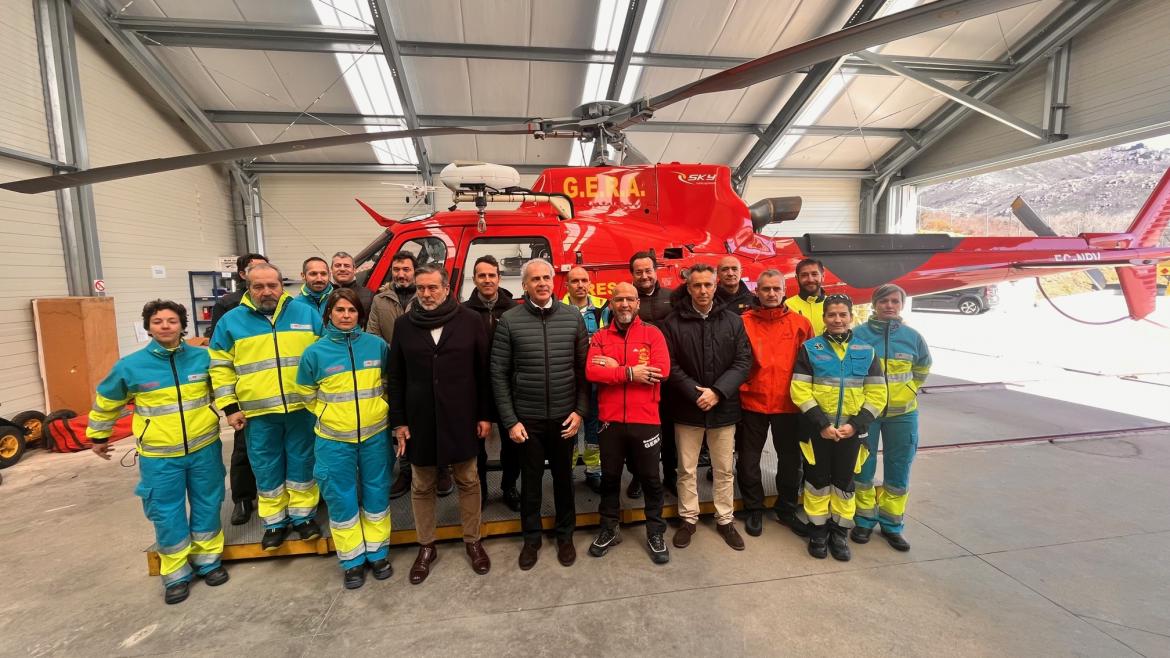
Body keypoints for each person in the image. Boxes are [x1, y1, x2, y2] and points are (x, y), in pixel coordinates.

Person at [88, 300, 228, 604]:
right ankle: (176, 573)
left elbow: (224, 388)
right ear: (148, 327)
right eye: (158, 321)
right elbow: (107, 401)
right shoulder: (131, 366)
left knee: (208, 502)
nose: (165, 326)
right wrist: (99, 435)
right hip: (159, 456)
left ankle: (208, 561)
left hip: (204, 447)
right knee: (167, 512)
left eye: (171, 321)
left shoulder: (203, 359)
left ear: (182, 326)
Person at [389, 265, 493, 583]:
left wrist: (485, 415)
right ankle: (426, 546)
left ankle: (473, 541)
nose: (426, 294)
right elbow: (395, 377)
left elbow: (483, 372)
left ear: (446, 289)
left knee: (468, 479)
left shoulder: (470, 321)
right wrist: (399, 422)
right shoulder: (404, 325)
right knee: (422, 485)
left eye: (432, 288)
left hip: (461, 417)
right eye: (421, 289)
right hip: (420, 419)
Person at [209, 263, 323, 551]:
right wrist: (230, 407)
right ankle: (274, 522)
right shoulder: (231, 322)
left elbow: (324, 353)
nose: (266, 291)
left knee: (302, 461)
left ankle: (303, 517)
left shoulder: (306, 314)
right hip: (257, 414)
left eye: (272, 285)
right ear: (248, 287)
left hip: (301, 409)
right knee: (266, 467)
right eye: (258, 286)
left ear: (282, 286)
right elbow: (220, 368)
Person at [490, 258, 588, 570]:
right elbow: (499, 374)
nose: (542, 283)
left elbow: (584, 371)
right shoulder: (509, 320)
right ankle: (531, 539)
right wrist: (510, 420)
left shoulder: (572, 318)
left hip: (564, 418)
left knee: (563, 479)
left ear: (553, 282)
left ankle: (565, 536)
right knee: (530, 482)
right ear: (525, 285)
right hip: (527, 421)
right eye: (535, 279)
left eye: (547, 277)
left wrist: (580, 412)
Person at [296, 289, 392, 590]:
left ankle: (378, 553)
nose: (346, 315)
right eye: (340, 310)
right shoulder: (315, 353)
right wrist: (328, 415)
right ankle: (351, 561)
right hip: (334, 440)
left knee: (377, 495)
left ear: (360, 315)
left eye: (352, 310)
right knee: (341, 498)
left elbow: (389, 384)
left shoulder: (377, 347)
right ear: (330, 315)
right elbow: (306, 393)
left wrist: (380, 410)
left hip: (375, 435)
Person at [660, 263, 752, 551]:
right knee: (686, 468)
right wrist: (693, 392)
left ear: (716, 286)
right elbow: (670, 365)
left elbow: (743, 361)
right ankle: (688, 519)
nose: (702, 290)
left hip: (723, 407)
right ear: (688, 288)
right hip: (686, 408)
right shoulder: (672, 323)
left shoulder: (733, 322)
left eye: (708, 285)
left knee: (724, 468)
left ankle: (725, 519)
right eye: (697, 285)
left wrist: (718, 392)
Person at [790, 294, 886, 562]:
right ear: (824, 318)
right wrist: (821, 424)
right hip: (817, 431)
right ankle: (818, 531)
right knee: (817, 481)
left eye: (843, 314)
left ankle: (840, 533)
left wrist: (855, 426)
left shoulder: (867, 352)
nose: (837, 319)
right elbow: (799, 389)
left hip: (851, 434)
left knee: (844, 483)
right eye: (832, 315)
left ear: (851, 317)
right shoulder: (810, 349)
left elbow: (878, 394)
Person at [585, 283, 671, 564]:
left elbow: (662, 371)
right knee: (610, 479)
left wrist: (615, 367)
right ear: (610, 303)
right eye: (619, 299)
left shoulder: (652, 334)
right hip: (610, 421)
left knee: (650, 479)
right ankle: (610, 528)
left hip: (645, 420)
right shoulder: (599, 336)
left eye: (629, 299)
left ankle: (655, 531)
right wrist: (631, 372)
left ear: (637, 304)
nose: (624, 304)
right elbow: (591, 371)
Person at [850, 284, 932, 552]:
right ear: (874, 304)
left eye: (895, 301)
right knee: (863, 469)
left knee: (899, 470)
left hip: (903, 415)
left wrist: (909, 389)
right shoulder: (858, 335)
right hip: (867, 415)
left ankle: (891, 525)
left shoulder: (913, 337)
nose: (889, 305)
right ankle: (864, 520)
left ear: (902, 305)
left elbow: (923, 366)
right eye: (883, 301)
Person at [368, 251, 452, 499]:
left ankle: (442, 469)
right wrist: (397, 358)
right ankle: (405, 473)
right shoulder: (380, 300)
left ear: (414, 273)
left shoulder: (427, 295)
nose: (401, 274)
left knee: (437, 422)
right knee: (402, 425)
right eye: (396, 269)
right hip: (397, 373)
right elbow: (373, 335)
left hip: (428, 371)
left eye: (406, 269)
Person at [737, 270, 813, 537]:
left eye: (776, 289)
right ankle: (753, 508)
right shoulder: (742, 322)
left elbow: (809, 367)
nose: (771, 294)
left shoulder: (801, 324)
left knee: (791, 461)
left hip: (788, 404)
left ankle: (787, 508)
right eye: (765, 289)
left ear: (784, 291)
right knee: (748, 460)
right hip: (751, 401)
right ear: (757, 291)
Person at [209, 252, 267, 526]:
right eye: (255, 271)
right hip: (248, 395)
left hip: (281, 397)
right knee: (244, 450)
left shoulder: (288, 306)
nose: (263, 283)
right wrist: (230, 404)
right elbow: (220, 356)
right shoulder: (229, 306)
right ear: (243, 275)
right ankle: (243, 498)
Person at [464, 255, 522, 511]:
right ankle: (482, 491)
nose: (487, 280)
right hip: (475, 390)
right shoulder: (462, 312)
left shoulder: (515, 310)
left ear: (499, 277)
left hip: (509, 389)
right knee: (477, 446)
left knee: (514, 445)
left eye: (492, 275)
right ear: (475, 279)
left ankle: (509, 486)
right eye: (481, 275)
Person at [628, 251, 675, 498]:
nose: (644, 276)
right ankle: (638, 477)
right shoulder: (626, 300)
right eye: (639, 272)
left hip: (670, 378)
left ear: (656, 271)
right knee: (638, 433)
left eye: (648, 270)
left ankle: (670, 476)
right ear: (632, 275)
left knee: (669, 431)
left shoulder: (674, 298)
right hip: (639, 380)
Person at [562, 266, 609, 493]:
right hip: (568, 380)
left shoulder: (604, 307)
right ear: (567, 285)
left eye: (584, 280)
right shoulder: (557, 309)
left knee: (594, 426)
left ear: (590, 283)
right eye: (575, 281)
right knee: (567, 426)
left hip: (596, 380)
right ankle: (566, 472)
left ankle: (594, 471)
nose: (580, 285)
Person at [785, 258, 827, 335]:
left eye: (814, 274)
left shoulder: (832, 305)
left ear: (823, 276)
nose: (810, 279)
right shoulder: (787, 306)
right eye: (804, 275)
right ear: (797, 278)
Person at [331, 251, 374, 316]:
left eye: (347, 266)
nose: (342, 269)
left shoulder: (369, 296)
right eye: (338, 266)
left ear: (354, 270)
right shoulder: (324, 294)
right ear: (331, 269)